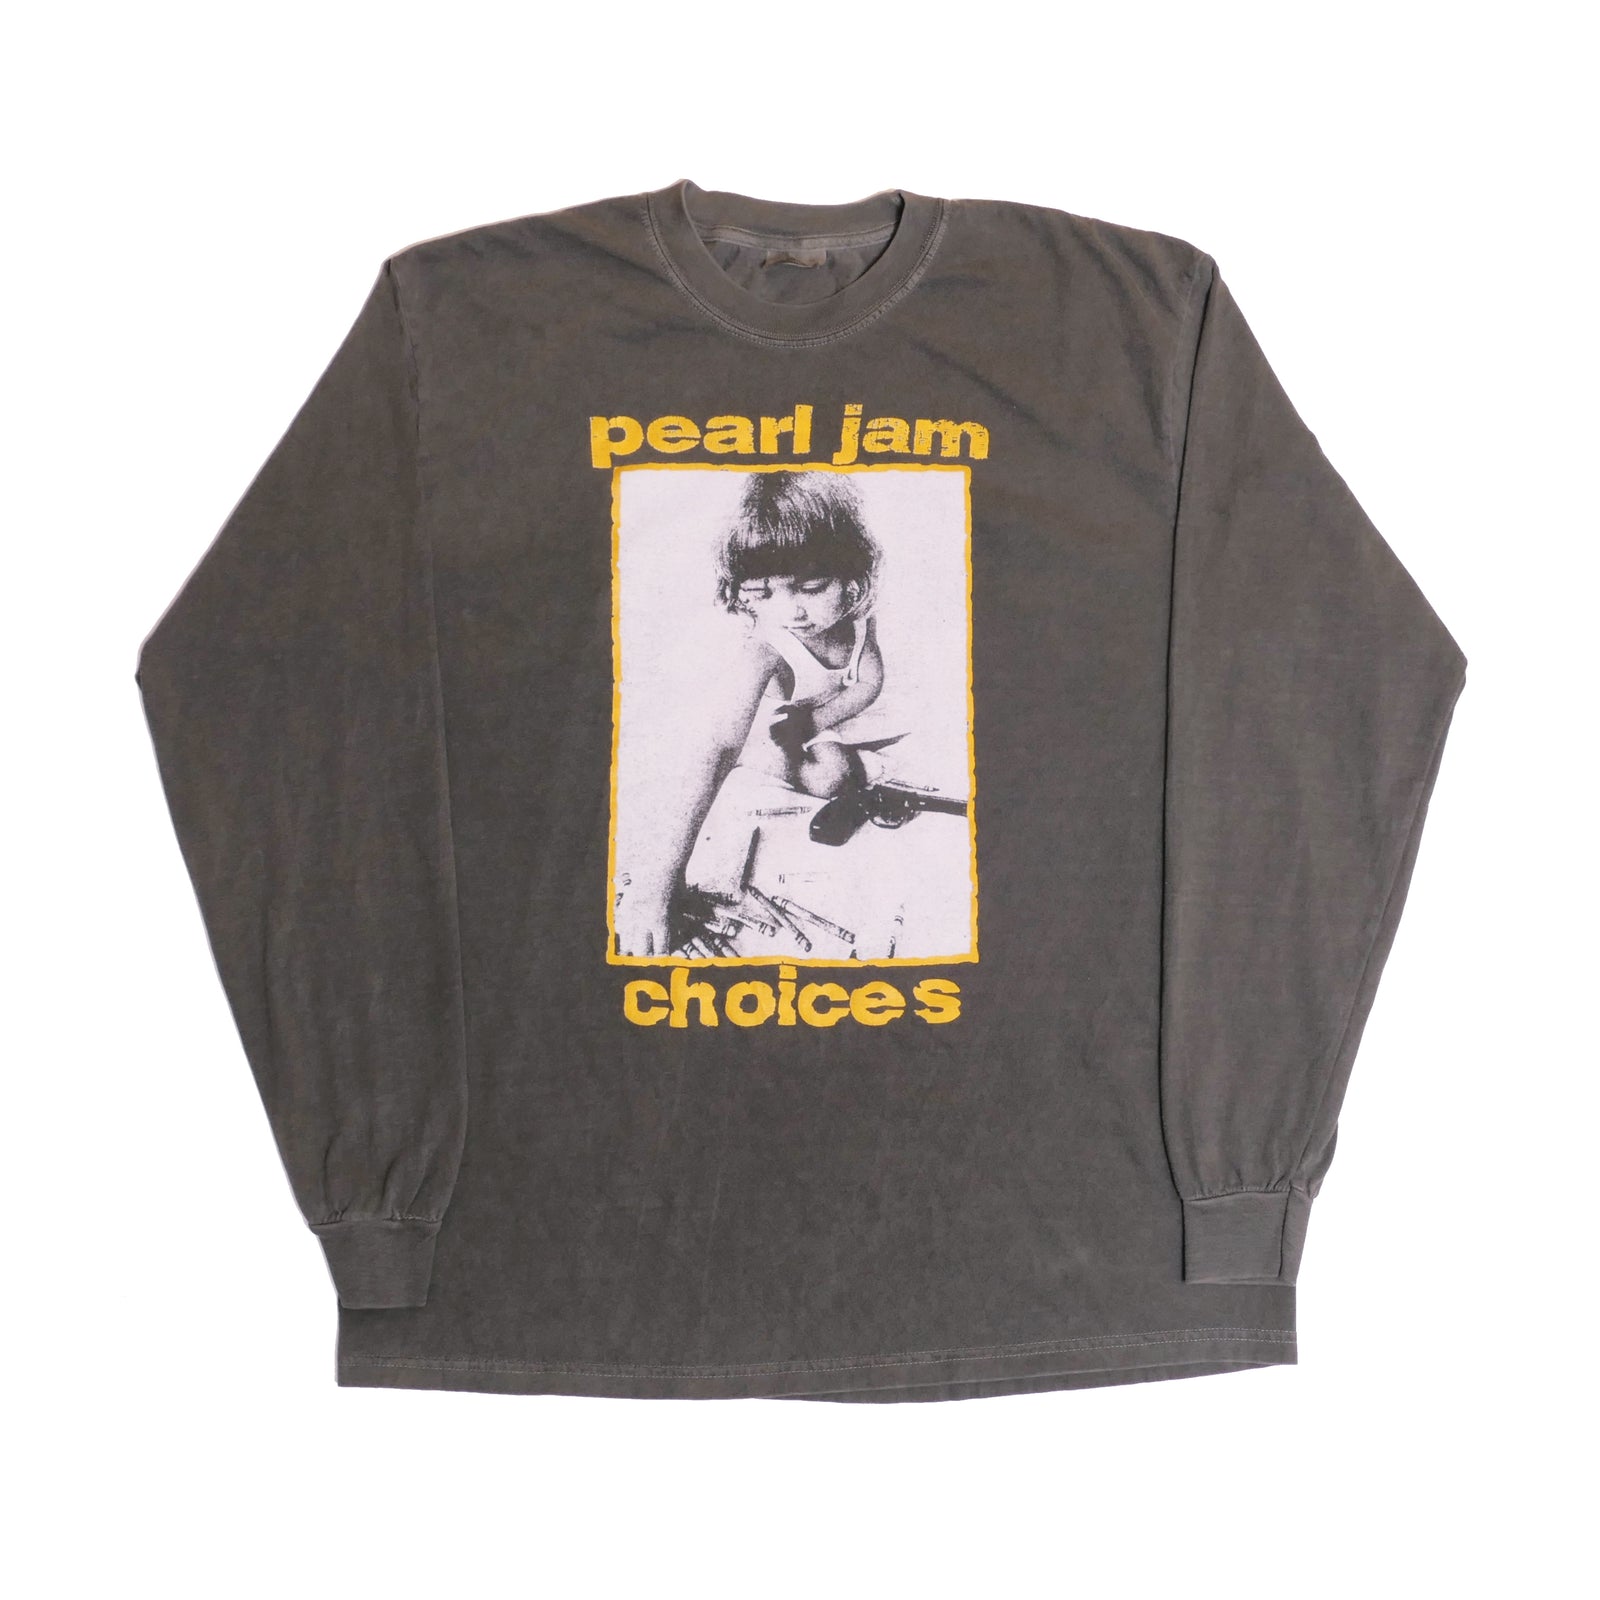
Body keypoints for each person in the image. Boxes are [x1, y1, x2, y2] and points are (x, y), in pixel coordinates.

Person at [614, 471, 897, 958]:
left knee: (850, 775)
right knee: (829, 776)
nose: (791, 612)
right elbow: (718, 745)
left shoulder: (858, 622)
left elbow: (869, 683)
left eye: (811, 587)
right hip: (768, 727)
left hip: (810, 720)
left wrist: (816, 722)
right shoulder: (765, 646)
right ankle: (758, 755)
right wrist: (656, 886)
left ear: (853, 580)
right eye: (762, 593)